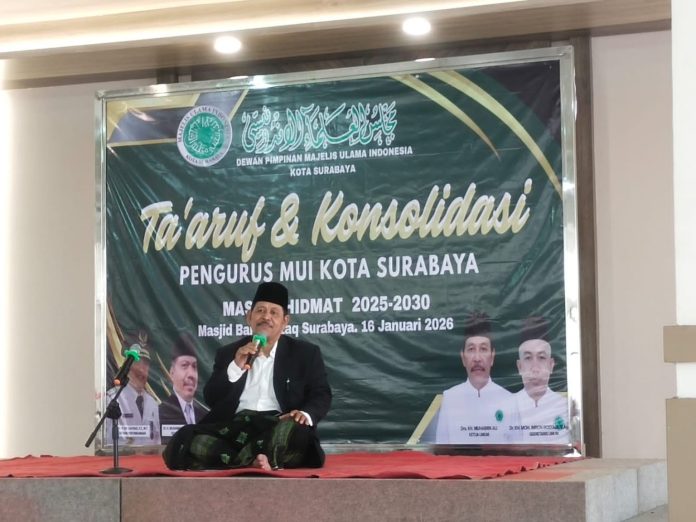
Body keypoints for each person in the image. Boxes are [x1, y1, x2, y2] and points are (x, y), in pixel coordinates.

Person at [163, 282, 332, 471]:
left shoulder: (305, 354)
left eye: (274, 312)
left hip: (277, 424)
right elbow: (212, 397)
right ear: (249, 317)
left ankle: (241, 460)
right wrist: (236, 366)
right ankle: (257, 460)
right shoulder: (229, 353)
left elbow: (321, 393)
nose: (266, 317)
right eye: (260, 311)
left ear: (285, 322)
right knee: (187, 440)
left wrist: (305, 415)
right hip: (235, 429)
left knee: (295, 431)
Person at [435, 313, 518, 444]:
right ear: (463, 357)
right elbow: (441, 448)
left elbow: (517, 450)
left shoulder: (510, 400)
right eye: (471, 349)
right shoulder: (449, 398)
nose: (477, 358)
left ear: (492, 356)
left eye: (483, 349)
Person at [512, 317, 569, 444]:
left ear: (551, 365)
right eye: (528, 358)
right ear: (519, 366)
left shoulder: (565, 407)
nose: (535, 368)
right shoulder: (507, 406)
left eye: (541, 357)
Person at [105, 331, 161, 446]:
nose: (141, 369)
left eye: (146, 364)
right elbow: (106, 439)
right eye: (137, 362)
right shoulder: (112, 399)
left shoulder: (153, 403)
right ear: (126, 365)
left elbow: (157, 441)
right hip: (122, 456)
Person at [159, 332, 208, 443]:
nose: (191, 374)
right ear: (172, 373)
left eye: (194, 367)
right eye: (184, 365)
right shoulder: (160, 414)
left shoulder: (205, 415)